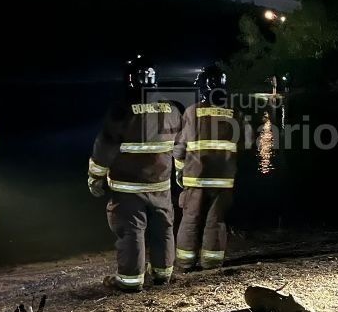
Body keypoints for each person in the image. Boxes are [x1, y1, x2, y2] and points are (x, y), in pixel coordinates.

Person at [88, 56, 182, 292]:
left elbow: (104, 148)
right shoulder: (172, 109)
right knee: (163, 228)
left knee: (131, 231)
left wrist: (95, 177)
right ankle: (163, 275)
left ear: (129, 80)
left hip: (127, 188)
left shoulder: (121, 110)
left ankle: (130, 280)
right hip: (160, 186)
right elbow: (181, 146)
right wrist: (179, 172)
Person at [173, 65, 243, 270]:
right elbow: (246, 142)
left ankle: (186, 263)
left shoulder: (192, 112)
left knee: (191, 219)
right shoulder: (235, 113)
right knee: (216, 220)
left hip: (196, 179)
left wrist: (178, 169)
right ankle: (211, 263)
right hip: (224, 181)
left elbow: (180, 147)